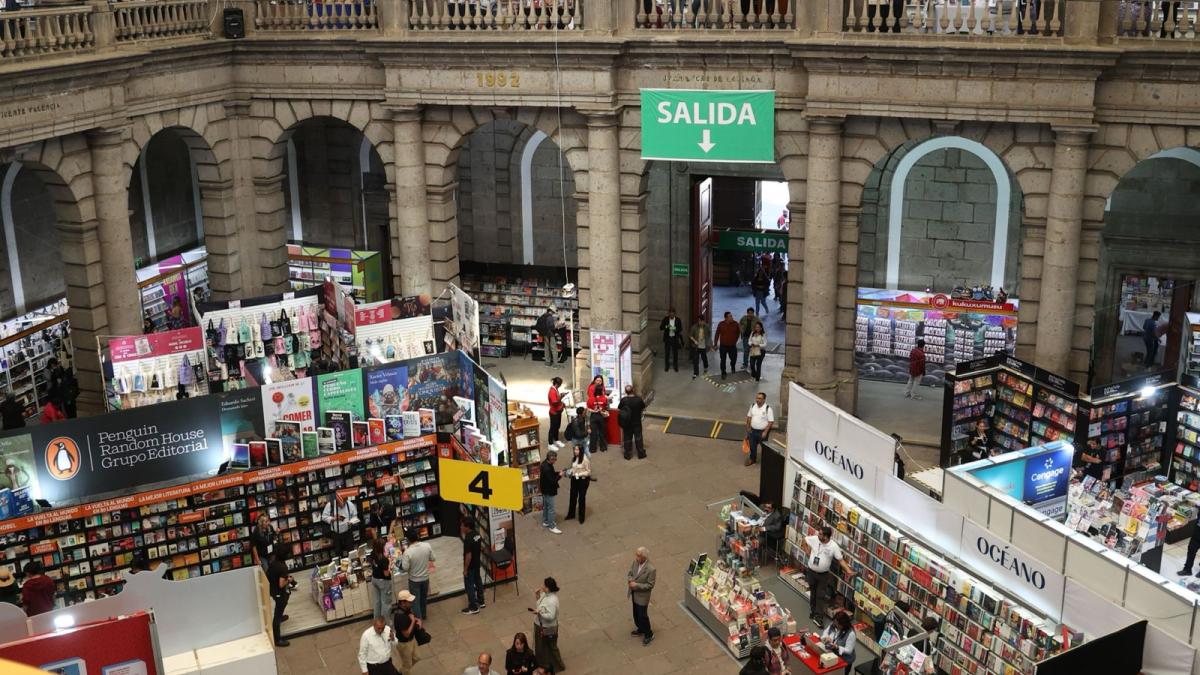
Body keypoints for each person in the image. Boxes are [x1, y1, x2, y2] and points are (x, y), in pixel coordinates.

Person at [805, 526, 855, 627]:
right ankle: (813, 611)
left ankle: (818, 617)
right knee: (813, 592)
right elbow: (805, 539)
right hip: (811, 572)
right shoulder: (815, 539)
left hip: (823, 575)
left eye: (820, 534)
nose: (818, 535)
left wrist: (848, 570)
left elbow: (840, 560)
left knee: (820, 595)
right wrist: (807, 550)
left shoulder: (833, 546)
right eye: (819, 533)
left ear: (826, 537)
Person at [529, 577, 564, 672]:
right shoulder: (545, 595)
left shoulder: (552, 601)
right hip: (541, 625)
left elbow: (551, 616)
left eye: (544, 585)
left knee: (549, 647)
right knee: (541, 647)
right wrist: (537, 596)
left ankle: (556, 666)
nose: (542, 586)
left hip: (548, 627)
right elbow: (540, 605)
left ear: (548, 588)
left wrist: (539, 613)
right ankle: (543, 665)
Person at [400, 527, 435, 620]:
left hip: (414, 580)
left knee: (415, 601)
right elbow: (433, 558)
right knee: (423, 598)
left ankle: (418, 620)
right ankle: (423, 615)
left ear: (408, 540)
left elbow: (405, 568)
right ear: (417, 536)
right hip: (425, 578)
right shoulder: (427, 546)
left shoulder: (407, 552)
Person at [628, 546, 656, 645]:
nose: (636, 558)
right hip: (634, 593)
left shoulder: (651, 569)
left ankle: (649, 634)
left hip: (642, 597)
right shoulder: (635, 562)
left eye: (638, 556)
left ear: (644, 557)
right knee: (636, 613)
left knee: (642, 615)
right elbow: (630, 573)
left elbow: (650, 585)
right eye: (636, 555)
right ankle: (640, 628)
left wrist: (636, 585)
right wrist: (630, 580)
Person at [461, 516, 486, 614]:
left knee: (469, 586)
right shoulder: (477, 534)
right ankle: (481, 601)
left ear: (467, 527)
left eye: (462, 526)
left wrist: (465, 569)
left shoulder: (468, 539)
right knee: (478, 581)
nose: (461, 527)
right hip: (477, 564)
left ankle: (473, 607)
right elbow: (480, 547)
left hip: (470, 566)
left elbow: (468, 555)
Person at [392, 589, 422, 673]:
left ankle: (402, 670)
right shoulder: (400, 617)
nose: (411, 602)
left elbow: (411, 616)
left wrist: (417, 620)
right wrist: (413, 621)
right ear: (403, 602)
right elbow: (406, 634)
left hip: (412, 640)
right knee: (407, 666)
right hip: (404, 644)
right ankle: (403, 671)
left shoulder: (406, 609)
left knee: (417, 657)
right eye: (409, 601)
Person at [267, 548, 292, 647]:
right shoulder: (283, 567)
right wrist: (289, 580)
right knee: (277, 614)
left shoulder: (273, 563)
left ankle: (280, 617)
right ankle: (277, 639)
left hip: (272, 590)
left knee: (282, 605)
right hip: (279, 592)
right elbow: (281, 584)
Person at [321, 492, 358, 557]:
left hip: (348, 533)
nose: (342, 505)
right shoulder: (330, 505)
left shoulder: (350, 504)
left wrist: (351, 522)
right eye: (340, 503)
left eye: (344, 502)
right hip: (336, 534)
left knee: (351, 552)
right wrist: (333, 518)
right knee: (338, 554)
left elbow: (355, 516)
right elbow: (323, 517)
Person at [745, 392, 775, 467]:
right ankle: (752, 459)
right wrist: (748, 427)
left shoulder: (768, 409)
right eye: (757, 398)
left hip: (762, 432)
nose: (757, 400)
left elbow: (771, 422)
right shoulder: (752, 406)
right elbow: (749, 417)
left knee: (764, 447)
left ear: (764, 400)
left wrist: (765, 432)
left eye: (760, 398)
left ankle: (767, 461)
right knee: (752, 446)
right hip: (752, 431)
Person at [617, 384, 647, 460]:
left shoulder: (623, 400)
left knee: (627, 438)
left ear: (625, 391)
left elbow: (620, 409)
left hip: (627, 423)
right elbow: (643, 408)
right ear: (633, 390)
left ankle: (627, 455)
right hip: (637, 422)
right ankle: (641, 453)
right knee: (638, 438)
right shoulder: (639, 399)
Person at [564, 444, 591, 524]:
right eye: (575, 449)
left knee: (581, 499)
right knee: (572, 497)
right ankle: (571, 514)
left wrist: (579, 474)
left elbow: (588, 471)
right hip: (574, 480)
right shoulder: (574, 458)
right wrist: (570, 472)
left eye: (577, 450)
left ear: (581, 450)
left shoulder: (585, 460)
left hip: (582, 481)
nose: (575, 451)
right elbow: (573, 467)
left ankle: (581, 517)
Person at [368, 538, 393, 621]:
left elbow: (372, 563)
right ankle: (386, 623)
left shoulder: (372, 554)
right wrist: (390, 565)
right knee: (386, 603)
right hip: (383, 582)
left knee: (377, 602)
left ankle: (377, 621)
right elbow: (386, 574)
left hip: (375, 579)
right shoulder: (384, 560)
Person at [539, 450, 562, 534]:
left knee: (546, 506)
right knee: (551, 509)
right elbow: (553, 481)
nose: (555, 461)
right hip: (549, 491)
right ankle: (552, 526)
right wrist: (560, 475)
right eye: (554, 459)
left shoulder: (544, 463)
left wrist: (558, 472)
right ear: (551, 459)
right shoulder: (548, 468)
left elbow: (551, 475)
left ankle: (546, 521)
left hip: (544, 489)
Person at [716, 311, 741, 380]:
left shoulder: (735, 324)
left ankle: (733, 367)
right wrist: (715, 343)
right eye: (730, 316)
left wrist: (735, 341)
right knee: (723, 360)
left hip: (732, 346)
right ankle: (723, 372)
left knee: (733, 359)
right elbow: (717, 334)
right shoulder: (721, 324)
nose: (732, 317)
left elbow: (738, 333)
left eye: (731, 316)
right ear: (726, 318)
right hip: (723, 346)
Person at [587, 380, 609, 453]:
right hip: (601, 416)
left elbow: (588, 408)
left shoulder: (590, 399)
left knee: (593, 433)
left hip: (593, 416)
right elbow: (606, 406)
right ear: (601, 391)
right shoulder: (604, 398)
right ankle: (603, 448)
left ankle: (592, 449)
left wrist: (594, 411)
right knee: (602, 432)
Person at [659, 308, 684, 372]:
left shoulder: (678, 320)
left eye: (673, 314)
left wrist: (674, 329)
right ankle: (667, 366)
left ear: (675, 314)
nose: (671, 315)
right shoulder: (665, 319)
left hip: (675, 338)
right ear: (669, 314)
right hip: (668, 338)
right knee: (667, 353)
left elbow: (680, 329)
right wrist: (667, 327)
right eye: (670, 314)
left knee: (675, 353)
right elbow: (661, 327)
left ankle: (675, 366)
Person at [547, 377, 565, 445]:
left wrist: (560, 397)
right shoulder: (552, 391)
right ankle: (550, 443)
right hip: (554, 412)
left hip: (558, 412)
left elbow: (557, 398)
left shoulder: (556, 389)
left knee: (557, 426)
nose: (560, 385)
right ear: (557, 384)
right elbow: (554, 402)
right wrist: (561, 397)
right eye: (560, 384)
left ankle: (556, 439)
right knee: (553, 428)